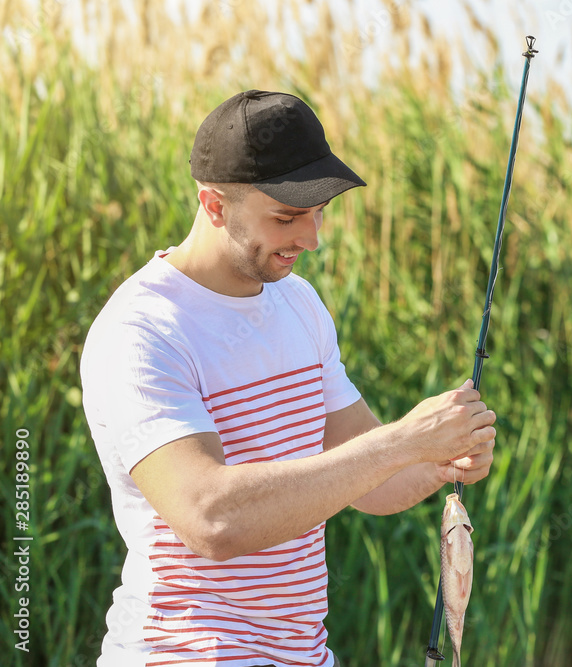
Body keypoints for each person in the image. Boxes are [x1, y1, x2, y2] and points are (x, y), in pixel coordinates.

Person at [80, 89, 497, 667]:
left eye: (319, 213)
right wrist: (402, 440)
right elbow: (212, 518)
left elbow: (371, 478)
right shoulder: (142, 329)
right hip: (184, 654)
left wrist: (442, 457)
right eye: (287, 217)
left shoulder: (299, 304)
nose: (311, 238)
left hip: (304, 655)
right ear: (214, 204)